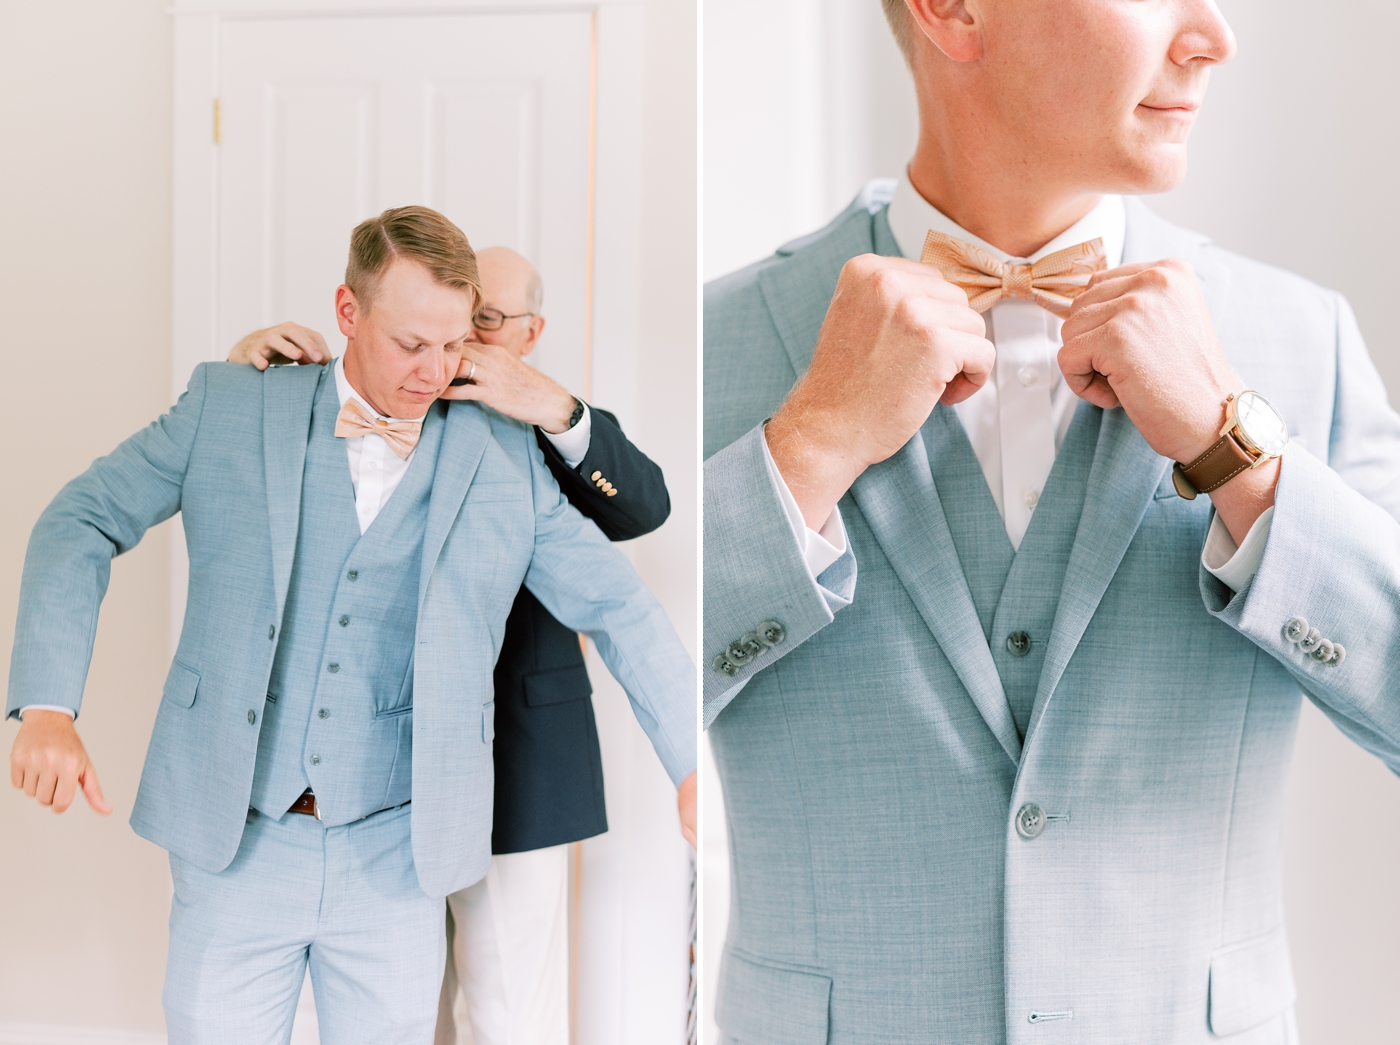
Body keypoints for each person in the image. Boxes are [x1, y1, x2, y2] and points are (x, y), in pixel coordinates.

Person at [703, 1, 1400, 1041]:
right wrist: (806, 445)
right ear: (952, 9)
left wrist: (1232, 449)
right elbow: (593, 699)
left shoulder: (1301, 339)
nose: (1212, 36)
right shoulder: (715, 339)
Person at [8, 206, 696, 1045]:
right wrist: (47, 705)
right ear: (348, 313)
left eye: (455, 344)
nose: (436, 369)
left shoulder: (503, 455)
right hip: (235, 844)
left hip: (397, 860)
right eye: (412, 344)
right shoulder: (230, 403)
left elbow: (617, 604)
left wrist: (691, 763)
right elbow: (79, 519)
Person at [228, 245, 683, 1045]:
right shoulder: (360, 397)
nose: (457, 342)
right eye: (445, 316)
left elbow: (643, 510)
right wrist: (243, 381)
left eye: (483, 320)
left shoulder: (541, 422)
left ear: (532, 332)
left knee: (508, 1004)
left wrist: (550, 405)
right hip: (357, 769)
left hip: (518, 753)